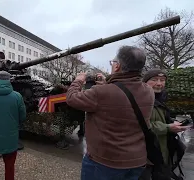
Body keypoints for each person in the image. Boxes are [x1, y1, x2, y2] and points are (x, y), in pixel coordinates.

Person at [66, 46, 155, 180]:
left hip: (106, 162)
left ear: (117, 66)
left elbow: (72, 98)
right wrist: (108, 82)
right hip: (137, 160)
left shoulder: (101, 92)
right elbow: (122, 94)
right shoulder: (149, 90)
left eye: (112, 62)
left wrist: (79, 80)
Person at [139, 69, 191, 179]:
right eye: (154, 80)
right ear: (145, 82)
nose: (159, 83)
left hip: (162, 152)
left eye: (162, 80)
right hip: (146, 156)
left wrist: (172, 122)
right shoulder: (140, 100)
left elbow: (160, 118)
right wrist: (167, 127)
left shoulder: (160, 98)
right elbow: (141, 126)